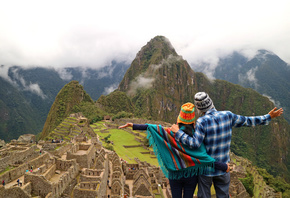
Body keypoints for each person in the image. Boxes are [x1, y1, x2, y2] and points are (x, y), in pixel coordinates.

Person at [171, 92, 284, 198]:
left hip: (206, 170)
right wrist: (268, 116)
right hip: (223, 168)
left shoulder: (202, 121)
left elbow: (194, 144)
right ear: (211, 103)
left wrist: (178, 132)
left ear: (199, 109)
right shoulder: (227, 115)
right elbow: (248, 121)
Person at [119, 102, 229, 198]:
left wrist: (133, 125)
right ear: (193, 122)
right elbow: (205, 158)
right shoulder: (196, 137)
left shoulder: (170, 133)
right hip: (191, 174)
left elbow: (154, 128)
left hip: (174, 175)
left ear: (179, 120)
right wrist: (224, 166)